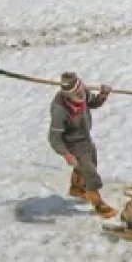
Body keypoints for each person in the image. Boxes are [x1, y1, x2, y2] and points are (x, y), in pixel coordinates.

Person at [48, 72, 115, 218]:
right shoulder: (60, 110)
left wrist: (103, 95)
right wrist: (66, 154)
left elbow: (93, 103)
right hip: (72, 143)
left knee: (90, 164)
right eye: (76, 93)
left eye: (81, 89)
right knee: (90, 173)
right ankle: (99, 204)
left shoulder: (83, 92)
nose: (81, 94)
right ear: (67, 95)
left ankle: (77, 188)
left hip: (85, 137)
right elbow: (54, 138)